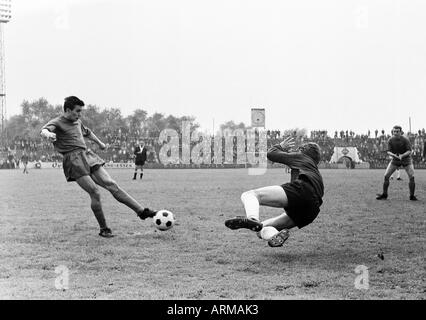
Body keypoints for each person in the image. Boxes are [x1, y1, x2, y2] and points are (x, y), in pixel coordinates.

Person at [40, 96, 157, 238]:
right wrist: (48, 134)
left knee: (112, 184)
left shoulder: (77, 121)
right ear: (68, 110)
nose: (79, 114)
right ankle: (104, 229)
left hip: (87, 155)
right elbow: (44, 130)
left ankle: (141, 211)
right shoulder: (57, 122)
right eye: (77, 111)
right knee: (95, 192)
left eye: (80, 111)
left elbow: (87, 132)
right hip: (73, 159)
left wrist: (100, 143)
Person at [224, 137, 324, 247]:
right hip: (312, 211)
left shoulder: (302, 156)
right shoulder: (315, 171)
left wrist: (281, 146)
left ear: (302, 150)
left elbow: (271, 154)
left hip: (303, 190)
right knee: (260, 228)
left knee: (250, 195)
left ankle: (252, 218)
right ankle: (275, 235)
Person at [376, 125, 417, 201]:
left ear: (401, 132)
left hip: (406, 160)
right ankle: (384, 194)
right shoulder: (390, 140)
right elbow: (388, 151)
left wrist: (402, 155)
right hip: (395, 159)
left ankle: (412, 196)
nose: (395, 133)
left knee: (412, 177)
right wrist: (394, 155)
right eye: (394, 131)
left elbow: (409, 151)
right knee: (386, 176)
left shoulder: (405, 140)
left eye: (397, 131)